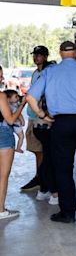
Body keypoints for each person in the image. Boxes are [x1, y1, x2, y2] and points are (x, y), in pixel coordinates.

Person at [27, 41, 76, 224]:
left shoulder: (50, 72)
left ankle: (68, 213)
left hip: (61, 124)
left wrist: (42, 115)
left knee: (63, 169)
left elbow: (30, 97)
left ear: (61, 54)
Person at [20, 45, 50, 192]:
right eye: (35, 55)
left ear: (45, 57)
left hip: (42, 118)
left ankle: (43, 179)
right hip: (32, 116)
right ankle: (39, 176)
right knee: (36, 150)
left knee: (43, 150)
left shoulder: (49, 72)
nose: (35, 57)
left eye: (39, 55)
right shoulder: (35, 73)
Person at [0, 65, 26, 220]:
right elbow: (10, 119)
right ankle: (1, 210)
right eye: (0, 75)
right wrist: (21, 105)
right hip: (3, 133)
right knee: (3, 175)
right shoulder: (1, 96)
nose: (2, 78)